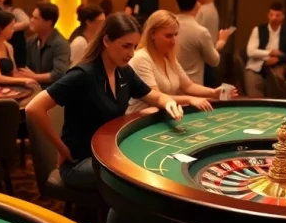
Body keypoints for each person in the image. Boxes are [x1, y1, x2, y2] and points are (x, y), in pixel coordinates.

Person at [26, 13, 182, 192]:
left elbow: (155, 96)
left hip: (108, 156)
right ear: (106, 41)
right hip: (80, 163)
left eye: (134, 47)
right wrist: (61, 149)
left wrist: (168, 102)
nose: (131, 54)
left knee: (144, 167)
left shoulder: (124, 72)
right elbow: (33, 108)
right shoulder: (82, 75)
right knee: (135, 177)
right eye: (126, 46)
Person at [129, 10, 234, 114]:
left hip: (161, 116)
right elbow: (157, 97)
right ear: (152, 34)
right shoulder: (141, 59)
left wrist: (213, 92)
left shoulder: (168, 57)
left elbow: (188, 86)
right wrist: (190, 99)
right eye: (168, 36)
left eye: (175, 35)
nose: (173, 40)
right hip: (138, 119)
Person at [173, 0, 233, 86]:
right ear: (197, 4)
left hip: (172, 83)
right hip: (192, 86)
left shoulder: (169, 25)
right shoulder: (200, 32)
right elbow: (214, 61)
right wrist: (221, 42)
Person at [244, 2, 286, 97]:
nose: (274, 18)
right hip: (256, 66)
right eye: (271, 15)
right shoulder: (258, 29)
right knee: (254, 97)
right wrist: (269, 53)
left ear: (283, 17)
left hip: (277, 67)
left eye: (277, 15)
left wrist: (279, 58)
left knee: (278, 94)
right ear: (268, 16)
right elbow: (250, 52)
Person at [0, 8, 39, 88]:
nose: (13, 30)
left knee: (35, 89)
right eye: (11, 27)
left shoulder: (8, 46)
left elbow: (14, 73)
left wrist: (31, 78)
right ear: (0, 28)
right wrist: (24, 80)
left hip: (9, 87)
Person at [19, 2, 70, 87]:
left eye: (36, 18)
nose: (31, 20)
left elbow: (59, 74)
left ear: (49, 22)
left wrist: (35, 77)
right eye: (32, 17)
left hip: (53, 92)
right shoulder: (31, 41)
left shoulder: (60, 44)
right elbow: (26, 68)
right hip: (34, 88)